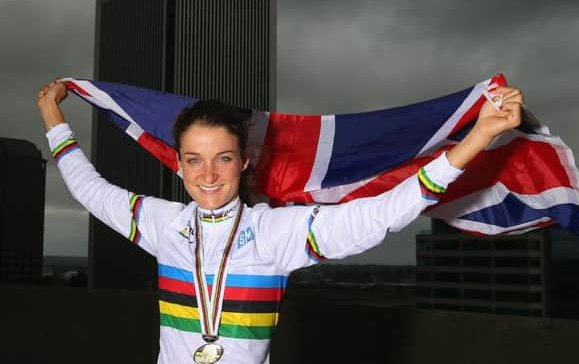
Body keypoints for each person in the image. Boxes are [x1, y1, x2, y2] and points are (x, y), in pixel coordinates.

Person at [38, 80, 523, 364]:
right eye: (194, 160)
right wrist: (51, 115)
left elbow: (382, 213)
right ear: (180, 163)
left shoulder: (278, 232)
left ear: (244, 162)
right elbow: (91, 190)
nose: (208, 175)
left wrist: (476, 138)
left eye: (222, 158)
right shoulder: (164, 225)